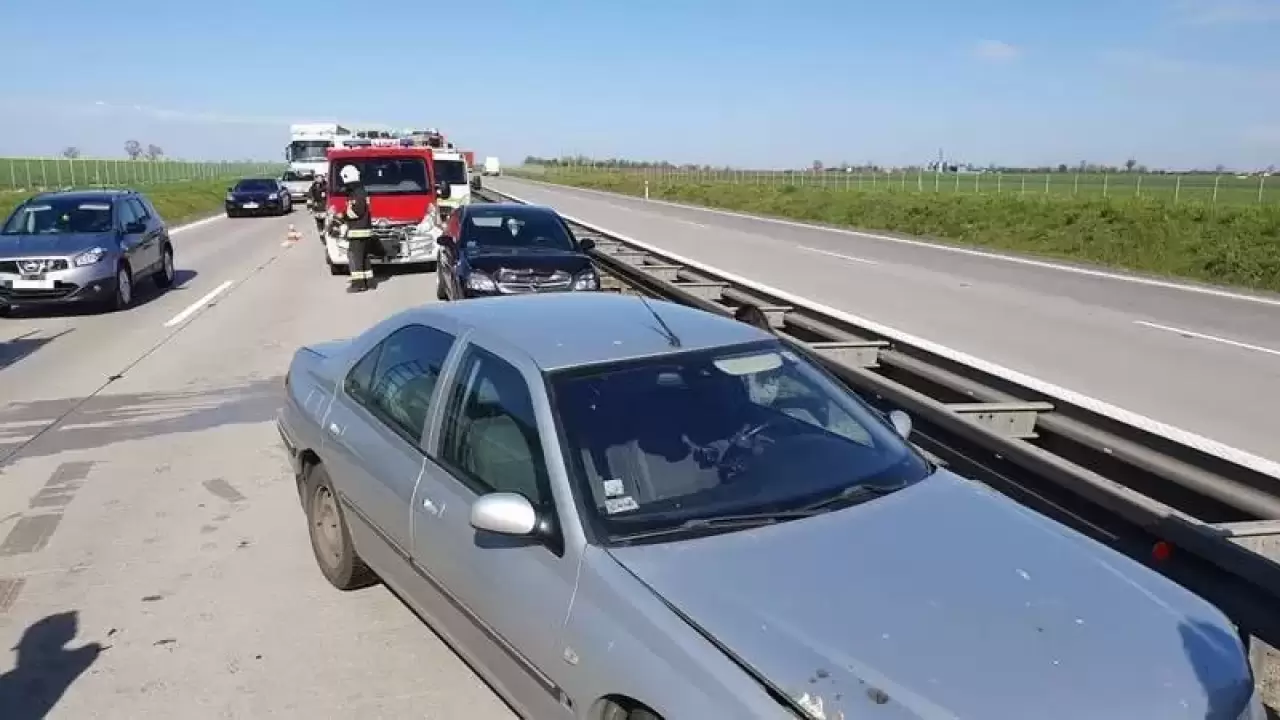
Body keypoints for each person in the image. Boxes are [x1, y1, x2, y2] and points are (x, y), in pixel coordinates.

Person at [335, 164, 375, 293]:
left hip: (358, 231)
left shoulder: (357, 193)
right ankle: (369, 281)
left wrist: (343, 216)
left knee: (355, 258)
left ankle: (358, 284)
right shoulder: (359, 191)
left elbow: (357, 211)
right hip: (363, 231)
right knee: (364, 258)